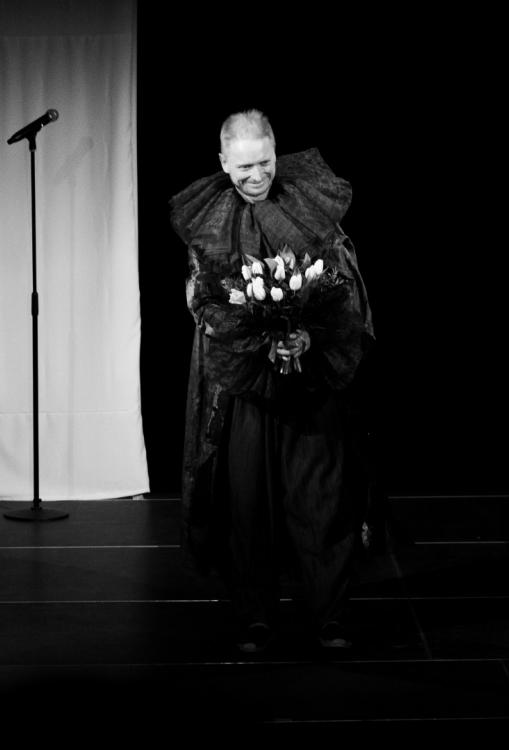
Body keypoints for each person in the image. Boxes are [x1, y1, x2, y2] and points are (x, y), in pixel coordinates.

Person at [169, 110, 374, 654]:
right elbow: (204, 301)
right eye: (244, 167)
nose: (256, 175)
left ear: (276, 154)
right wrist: (260, 342)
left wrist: (306, 336)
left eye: (263, 162)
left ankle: (329, 613)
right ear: (223, 163)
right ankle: (255, 613)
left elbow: (341, 285)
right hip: (244, 381)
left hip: (311, 376)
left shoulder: (309, 205)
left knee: (320, 499)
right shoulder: (210, 221)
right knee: (248, 502)